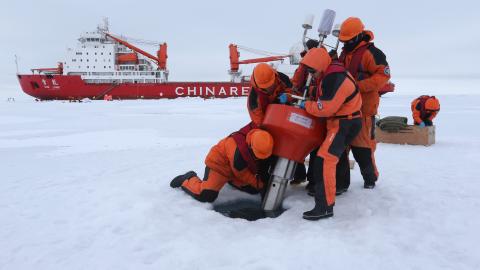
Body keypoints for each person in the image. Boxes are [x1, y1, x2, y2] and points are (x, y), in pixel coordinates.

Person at [299, 47, 362, 220]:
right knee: (330, 157)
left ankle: (325, 207)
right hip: (342, 121)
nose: (312, 74)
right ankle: (333, 191)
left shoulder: (334, 77)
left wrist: (307, 106)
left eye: (312, 70)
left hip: (344, 123)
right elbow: (325, 96)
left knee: (325, 159)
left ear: (319, 65)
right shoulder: (330, 74)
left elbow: (326, 108)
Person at [338, 17, 391, 189]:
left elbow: (383, 76)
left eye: (348, 41)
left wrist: (357, 86)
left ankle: (370, 179)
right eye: (343, 41)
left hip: (364, 110)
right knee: (340, 149)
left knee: (363, 149)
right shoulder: (345, 52)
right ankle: (341, 183)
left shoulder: (373, 53)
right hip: (344, 109)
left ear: (358, 36)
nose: (345, 44)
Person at [170, 124, 274, 203]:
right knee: (207, 195)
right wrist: (261, 186)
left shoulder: (262, 138)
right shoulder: (237, 152)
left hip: (235, 170)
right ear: (251, 146)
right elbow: (241, 173)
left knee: (253, 190)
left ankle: (231, 181)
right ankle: (187, 178)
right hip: (219, 167)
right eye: (257, 155)